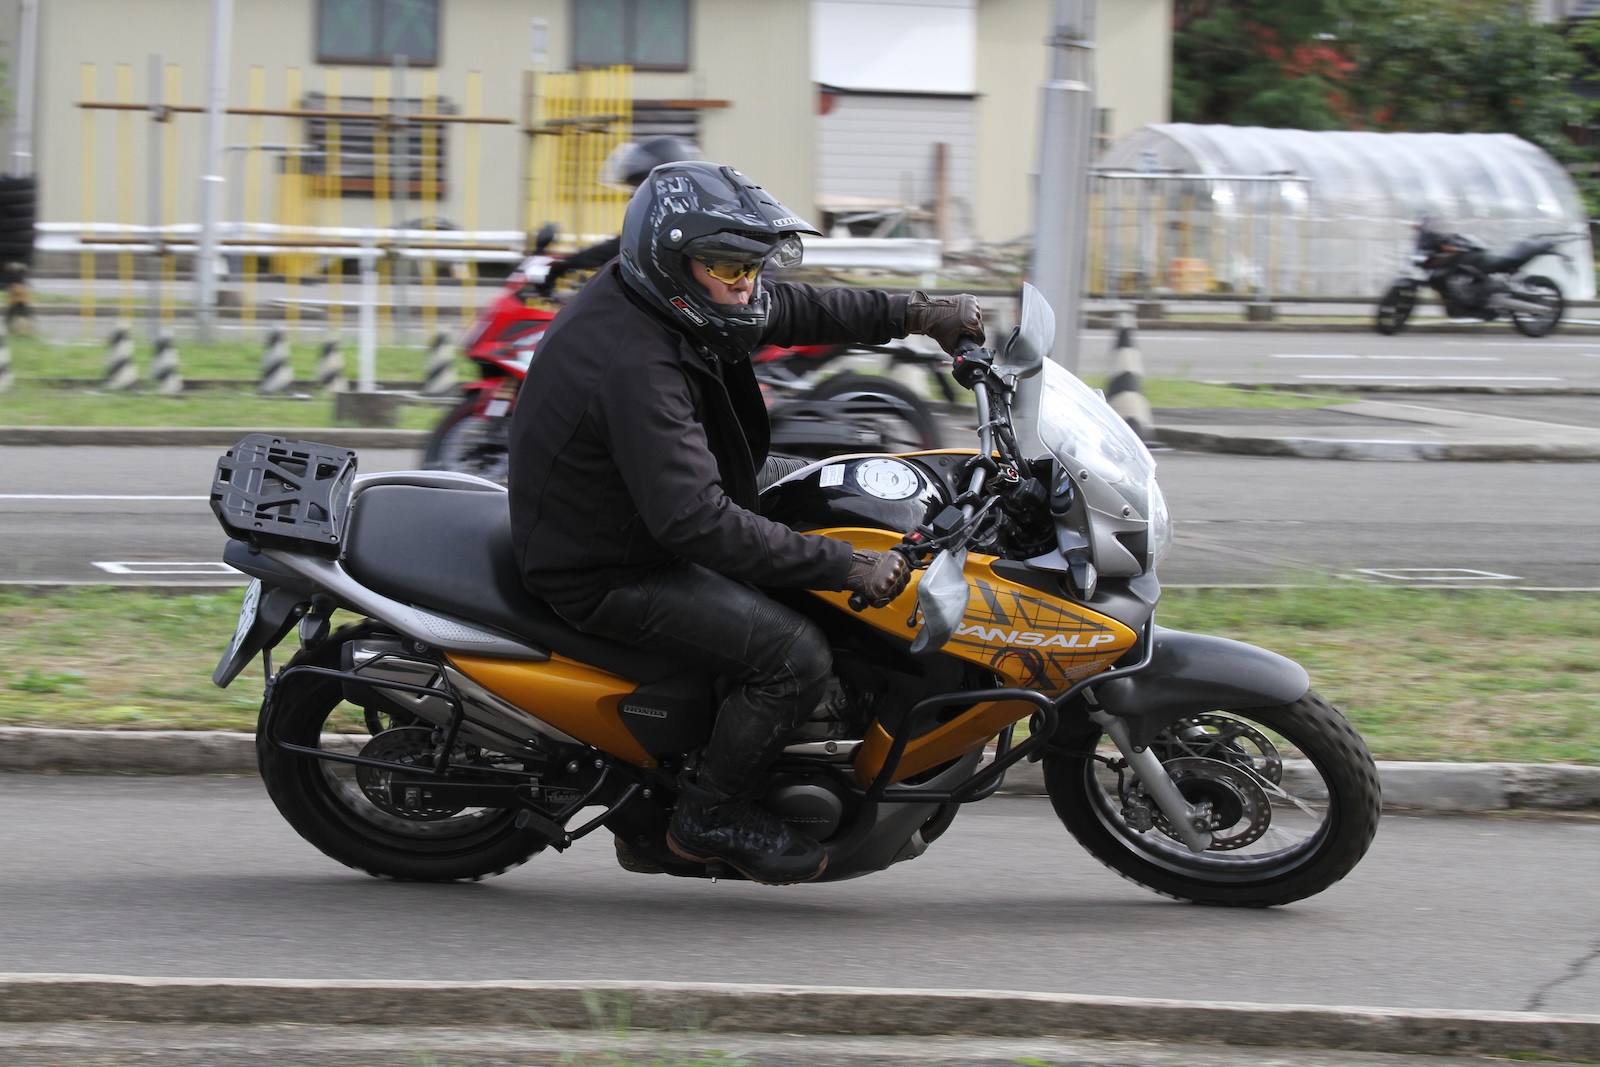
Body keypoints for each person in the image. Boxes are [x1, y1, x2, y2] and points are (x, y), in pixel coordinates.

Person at [505, 161, 985, 885]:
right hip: (609, 564)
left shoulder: (673, 297)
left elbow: (796, 308)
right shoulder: (634, 363)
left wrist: (918, 314)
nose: (746, 284)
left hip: (645, 505)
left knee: (837, 488)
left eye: (752, 266)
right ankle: (708, 815)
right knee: (793, 657)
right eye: (729, 266)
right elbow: (696, 522)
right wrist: (844, 566)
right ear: (675, 262)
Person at [535, 135, 702, 295]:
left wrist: (565, 265)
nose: (633, 196)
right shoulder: (669, 223)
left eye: (639, 187)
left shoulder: (681, 228)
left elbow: (620, 248)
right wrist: (568, 263)